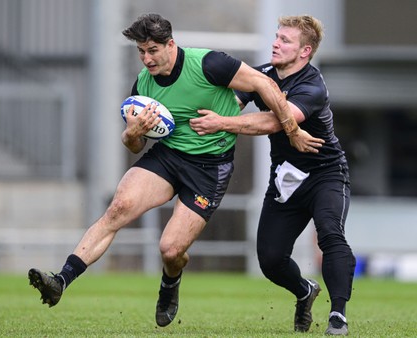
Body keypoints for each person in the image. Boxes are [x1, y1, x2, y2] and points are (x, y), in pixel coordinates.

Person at [27, 13, 323, 328]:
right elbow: (133, 146)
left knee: (170, 250)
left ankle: (170, 282)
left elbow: (263, 83)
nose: (146, 58)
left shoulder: (209, 64)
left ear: (171, 44)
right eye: (141, 51)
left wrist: (291, 129)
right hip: (167, 157)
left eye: (153, 50)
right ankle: (61, 280)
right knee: (118, 209)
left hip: (210, 167)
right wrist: (133, 132)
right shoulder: (142, 84)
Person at [190, 15, 355, 336]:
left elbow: (274, 122)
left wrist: (220, 123)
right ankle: (305, 291)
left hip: (326, 174)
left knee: (330, 234)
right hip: (286, 178)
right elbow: (230, 103)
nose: (276, 44)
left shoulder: (312, 86)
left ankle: (338, 315)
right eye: (277, 37)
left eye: (285, 40)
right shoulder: (263, 74)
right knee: (270, 259)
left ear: (305, 51)